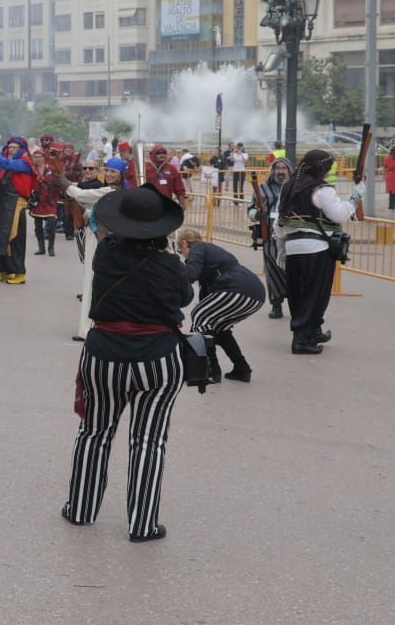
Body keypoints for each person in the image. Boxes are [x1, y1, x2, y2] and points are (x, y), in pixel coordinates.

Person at [63, 187, 191, 543]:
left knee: (94, 432)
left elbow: (107, 235)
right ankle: (143, 523)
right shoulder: (171, 265)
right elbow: (185, 297)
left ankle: (81, 509)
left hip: (104, 354)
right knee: (149, 440)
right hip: (157, 358)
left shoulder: (106, 253)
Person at [277, 149, 361, 354]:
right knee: (315, 295)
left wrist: (281, 248)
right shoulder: (322, 190)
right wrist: (356, 196)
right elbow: (339, 214)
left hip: (293, 247)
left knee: (298, 294)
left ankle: (312, 331)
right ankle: (302, 340)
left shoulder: (288, 187)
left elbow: (278, 222)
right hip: (316, 249)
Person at [177, 228, 263, 383]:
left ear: (184, 243)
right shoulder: (210, 254)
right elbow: (204, 294)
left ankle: (210, 370)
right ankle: (241, 368)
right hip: (254, 292)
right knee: (218, 327)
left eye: (179, 249)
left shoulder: (198, 248)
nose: (181, 253)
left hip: (236, 288)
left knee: (200, 316)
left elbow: (190, 274)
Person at [58, 157, 127, 342]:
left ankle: (88, 329)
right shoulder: (109, 190)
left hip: (101, 241)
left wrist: (64, 183)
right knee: (92, 282)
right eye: (108, 170)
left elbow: (82, 195)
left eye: (114, 171)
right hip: (94, 237)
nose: (110, 174)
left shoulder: (112, 190)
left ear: (121, 175)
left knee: (92, 282)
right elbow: (92, 212)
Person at [0, 137, 35, 285]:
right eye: (9, 147)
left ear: (21, 149)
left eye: (15, 147)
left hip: (15, 204)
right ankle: (3, 271)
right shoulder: (6, 164)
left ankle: (19, 272)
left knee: (14, 238)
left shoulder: (24, 162)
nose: (11, 149)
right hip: (2, 204)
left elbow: (9, 164)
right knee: (0, 237)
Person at [249, 158, 293, 319]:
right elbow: (251, 209)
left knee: (293, 270)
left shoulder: (295, 188)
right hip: (271, 237)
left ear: (289, 171)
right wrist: (257, 214)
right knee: (273, 270)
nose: (281, 171)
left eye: (284, 168)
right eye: (278, 168)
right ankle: (276, 304)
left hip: (292, 235)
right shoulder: (263, 189)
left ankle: (296, 304)